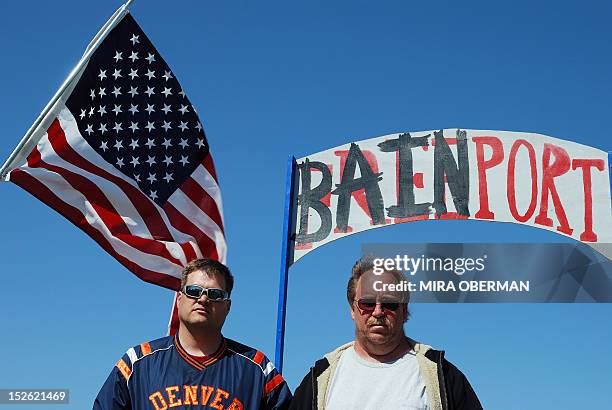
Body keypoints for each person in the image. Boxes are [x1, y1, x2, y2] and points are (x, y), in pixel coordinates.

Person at [94, 258, 291, 410]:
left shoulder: (258, 369)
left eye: (215, 294)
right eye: (194, 291)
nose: (203, 299)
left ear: (227, 306)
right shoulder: (137, 363)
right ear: (179, 299)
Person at [290, 257, 482, 410]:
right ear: (352, 309)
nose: (378, 312)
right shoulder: (320, 377)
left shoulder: (442, 375)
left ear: (404, 310)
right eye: (367, 303)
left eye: (389, 303)